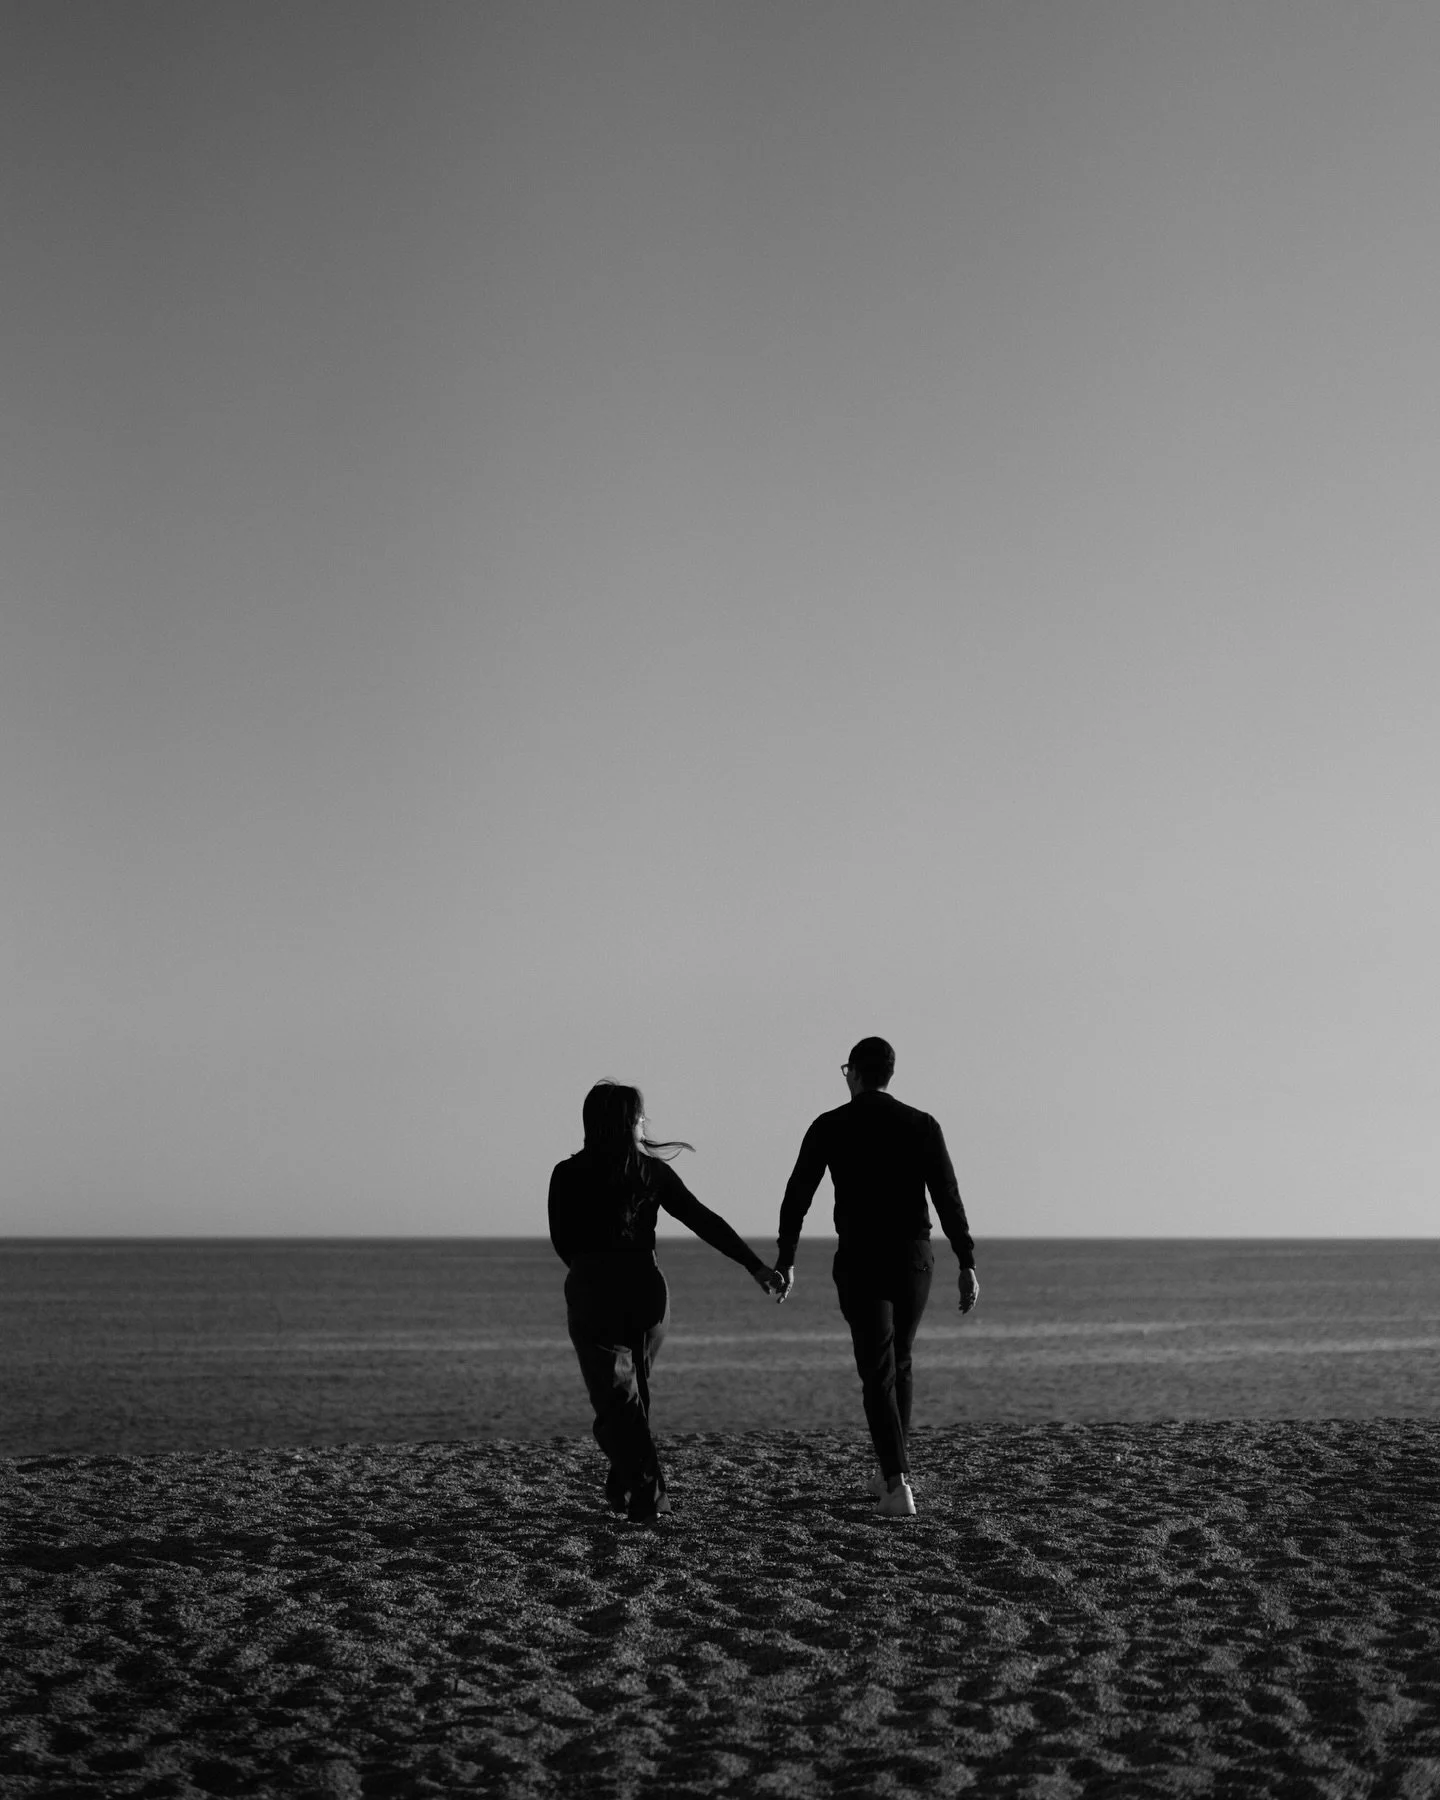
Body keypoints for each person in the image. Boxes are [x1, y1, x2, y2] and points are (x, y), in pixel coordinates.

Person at [549, 1079, 784, 1522]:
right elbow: (703, 1220)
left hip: (594, 1293)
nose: (645, 1123)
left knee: (619, 1404)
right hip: (646, 1294)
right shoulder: (650, 1171)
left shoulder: (567, 1174)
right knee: (629, 1403)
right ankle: (627, 1484)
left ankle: (649, 1501)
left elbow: (562, 1241)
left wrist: (589, 1273)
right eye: (640, 1116)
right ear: (625, 1123)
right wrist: (754, 1267)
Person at [772, 1037, 978, 1519]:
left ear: (855, 1074)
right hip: (914, 1257)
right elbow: (947, 1195)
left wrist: (787, 1257)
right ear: (889, 1074)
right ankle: (893, 1467)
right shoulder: (922, 1124)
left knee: (876, 1369)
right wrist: (967, 1261)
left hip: (862, 1256)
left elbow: (797, 1193)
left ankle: (896, 1483)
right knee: (899, 1360)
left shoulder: (831, 1125)